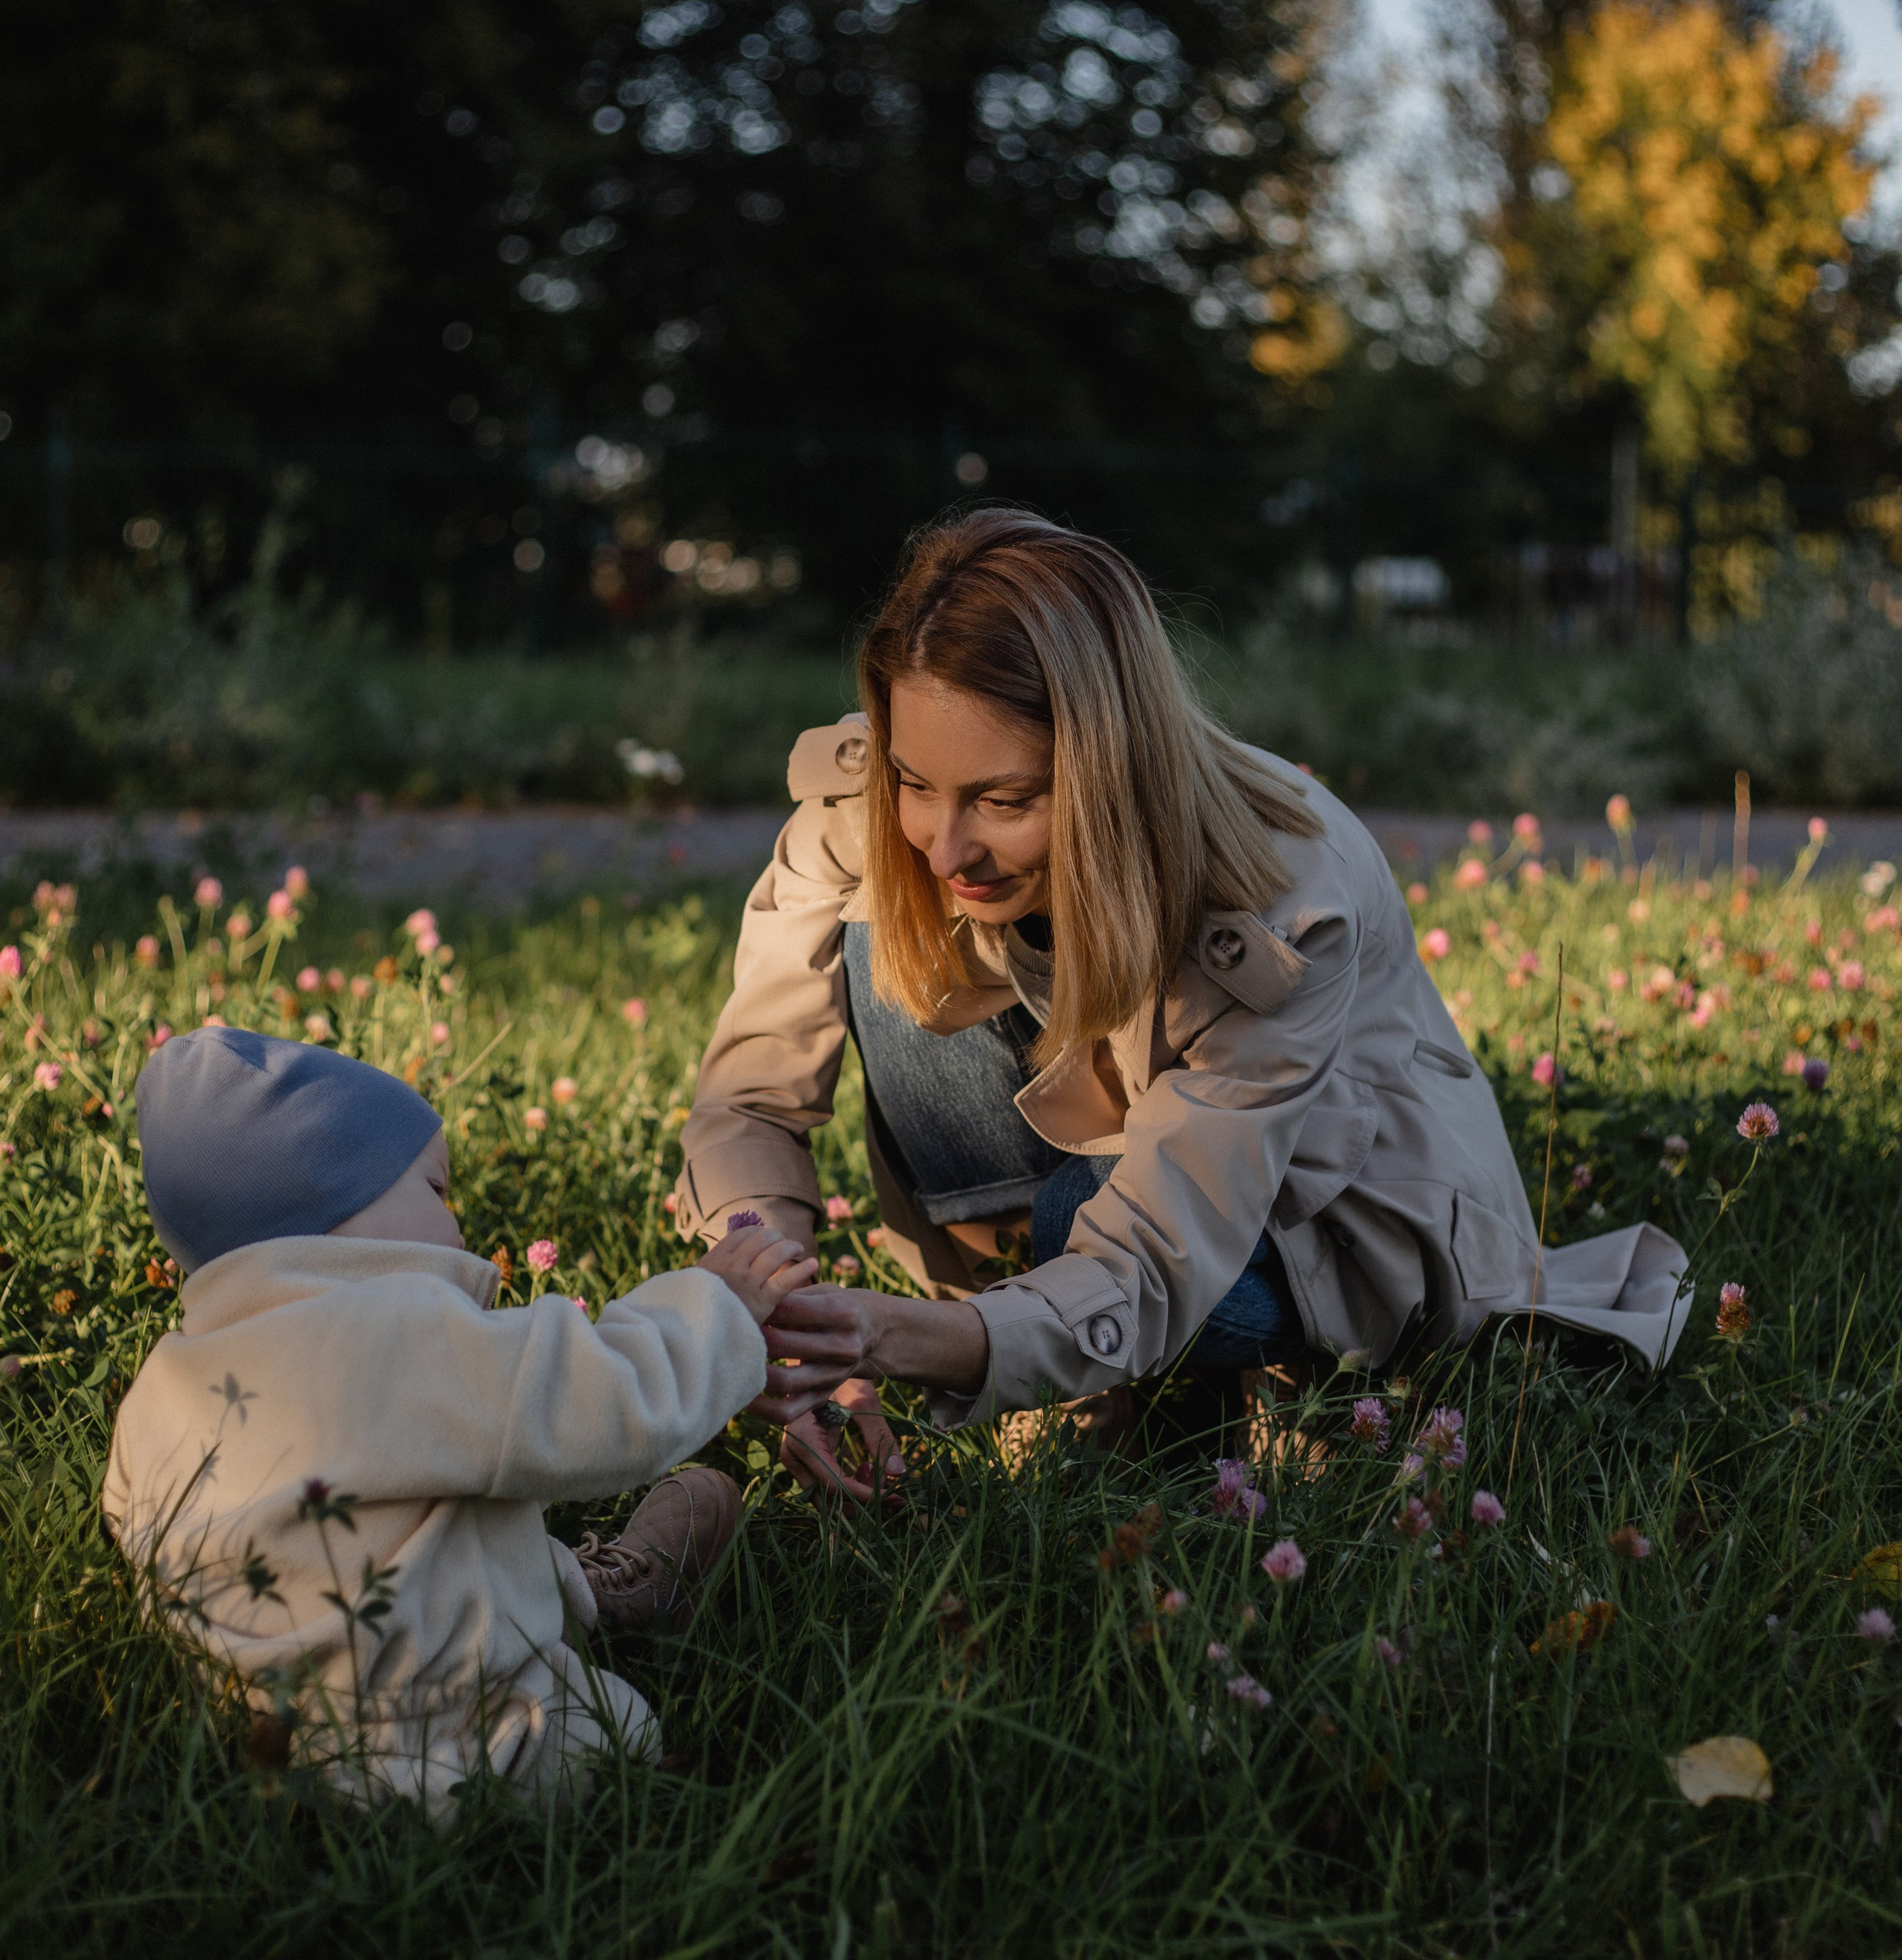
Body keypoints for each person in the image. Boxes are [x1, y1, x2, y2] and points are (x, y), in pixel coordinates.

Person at [675, 510, 1690, 1488]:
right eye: (914, 781)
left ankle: (1282, 1388)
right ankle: (1046, 1344)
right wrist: (782, 1316)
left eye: (1006, 799)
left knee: (1091, 1211)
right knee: (884, 924)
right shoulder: (885, 817)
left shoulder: (1279, 893)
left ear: (1109, 766)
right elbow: (752, 1098)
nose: (946, 843)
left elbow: (1158, 1250)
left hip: (1323, 1221)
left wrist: (894, 1338)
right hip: (1103, 1139)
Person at [103, 1025, 822, 1808]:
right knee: (618, 1735)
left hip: (256, 1740)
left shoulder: (162, 1387)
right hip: (456, 1746)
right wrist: (715, 1306)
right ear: (336, 1203)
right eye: (437, 1192)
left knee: (389, 1524)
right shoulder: (395, 1335)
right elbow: (599, 1399)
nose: (458, 1228)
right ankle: (589, 1608)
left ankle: (562, 1586)